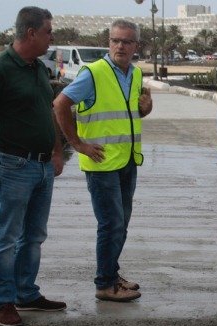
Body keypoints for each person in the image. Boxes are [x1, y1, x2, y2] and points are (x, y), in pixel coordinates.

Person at [0, 7, 66, 326]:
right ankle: (4, 301)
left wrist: (55, 151)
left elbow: (47, 112)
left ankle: (26, 292)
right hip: (12, 165)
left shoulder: (37, 68)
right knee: (6, 237)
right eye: (49, 32)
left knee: (34, 235)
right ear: (31, 33)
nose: (52, 37)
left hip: (40, 166)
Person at [53, 19, 152, 302]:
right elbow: (60, 104)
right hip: (101, 163)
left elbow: (129, 114)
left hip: (126, 160)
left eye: (127, 41)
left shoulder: (134, 74)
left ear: (136, 46)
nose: (121, 46)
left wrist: (146, 108)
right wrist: (76, 144)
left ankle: (111, 273)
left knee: (121, 223)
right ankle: (104, 284)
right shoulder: (93, 73)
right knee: (110, 224)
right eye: (115, 41)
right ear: (109, 43)